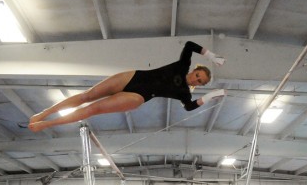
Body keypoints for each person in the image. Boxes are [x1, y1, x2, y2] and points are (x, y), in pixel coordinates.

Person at [28, 41, 226, 132]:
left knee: (92, 109)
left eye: (200, 82)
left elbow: (189, 107)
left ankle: (47, 124)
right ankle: (45, 113)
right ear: (194, 70)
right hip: (134, 76)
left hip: (138, 96)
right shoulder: (183, 65)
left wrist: (211, 96)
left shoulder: (183, 93)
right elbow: (190, 45)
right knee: (87, 95)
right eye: (197, 75)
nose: (195, 80)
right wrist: (210, 55)